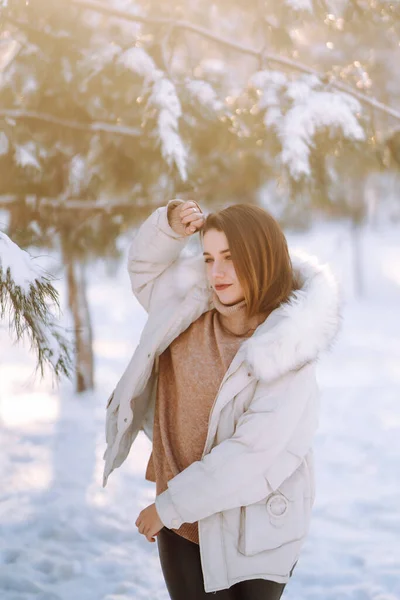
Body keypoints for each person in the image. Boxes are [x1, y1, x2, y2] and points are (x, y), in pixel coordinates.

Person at [103, 199, 341, 599]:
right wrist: (168, 227)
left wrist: (168, 506)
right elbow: (145, 272)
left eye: (230, 258)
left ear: (261, 258)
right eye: (209, 257)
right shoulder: (186, 308)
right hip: (183, 523)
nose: (216, 272)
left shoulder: (286, 348)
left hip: (257, 527)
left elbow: (250, 454)